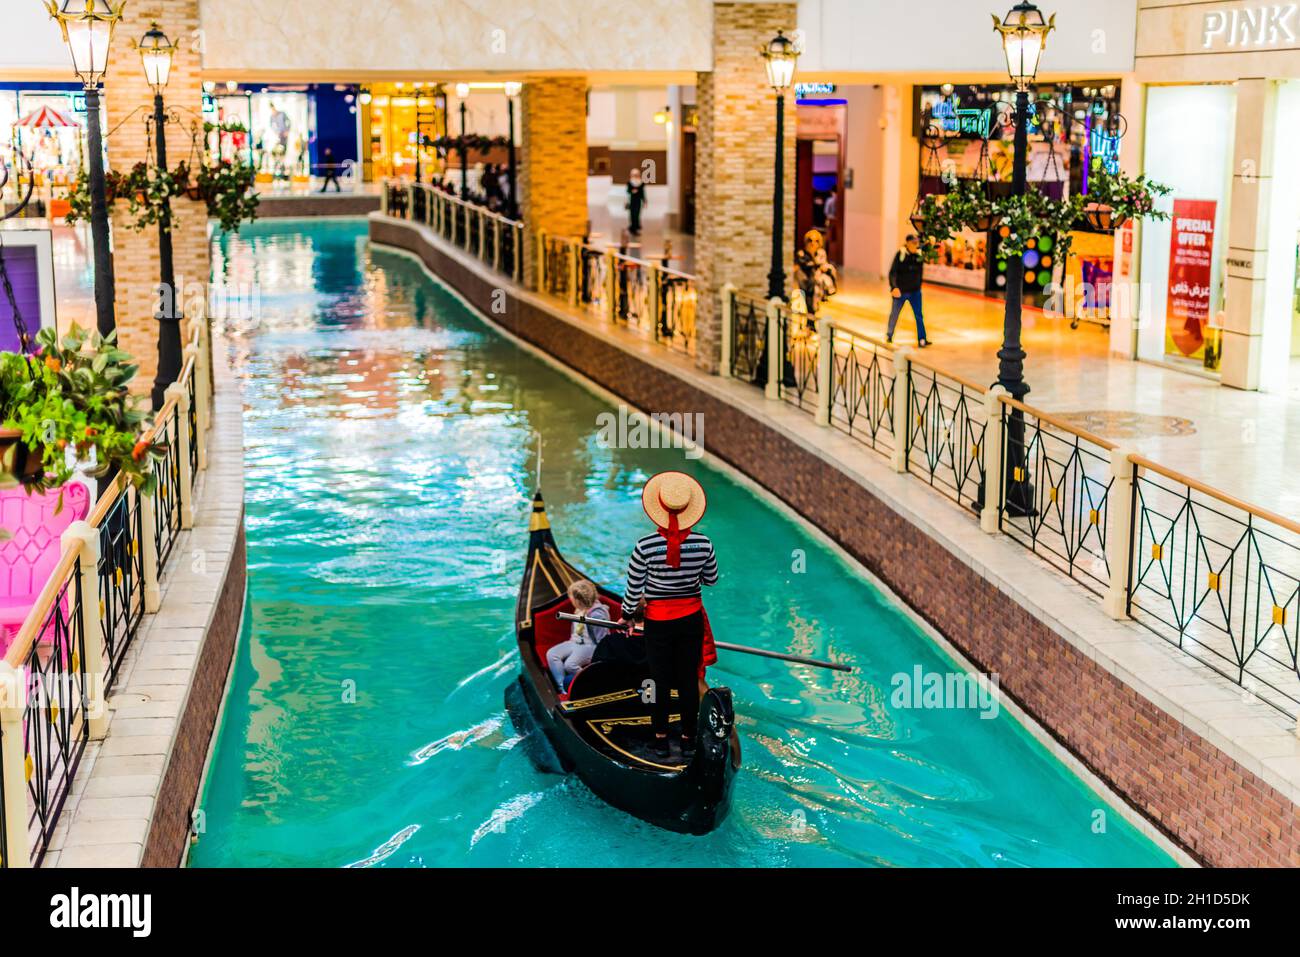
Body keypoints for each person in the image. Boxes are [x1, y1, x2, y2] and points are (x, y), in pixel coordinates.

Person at [619, 471, 718, 757]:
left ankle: (660, 739)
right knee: (687, 679)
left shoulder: (644, 546)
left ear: (658, 510)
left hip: (659, 622)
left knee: (660, 681)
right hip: (690, 619)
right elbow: (710, 580)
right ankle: (688, 738)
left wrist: (627, 615)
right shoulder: (704, 544)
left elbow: (634, 587)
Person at [546, 580, 611, 694]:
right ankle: (562, 688)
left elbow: (602, 638)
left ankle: (591, 682)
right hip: (575, 641)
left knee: (570, 665)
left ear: (579, 600)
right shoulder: (581, 609)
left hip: (590, 645)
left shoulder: (597, 614)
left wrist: (600, 657)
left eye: (572, 599)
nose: (570, 601)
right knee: (552, 654)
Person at [887, 233, 930, 347]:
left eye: (917, 243)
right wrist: (894, 287)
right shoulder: (901, 254)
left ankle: (922, 339)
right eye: (913, 243)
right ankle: (889, 335)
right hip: (901, 291)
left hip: (915, 292)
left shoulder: (919, 255)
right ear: (907, 243)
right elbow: (892, 273)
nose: (916, 245)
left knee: (919, 315)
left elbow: (929, 249)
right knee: (894, 314)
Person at [794, 229, 838, 318]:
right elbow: (805, 266)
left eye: (816, 241)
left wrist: (823, 268)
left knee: (814, 299)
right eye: (810, 240)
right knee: (805, 301)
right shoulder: (801, 254)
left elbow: (823, 264)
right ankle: (808, 321)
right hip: (805, 283)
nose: (813, 243)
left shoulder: (821, 253)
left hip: (816, 284)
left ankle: (811, 320)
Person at [626, 168, 646, 236]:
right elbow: (628, 191)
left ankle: (635, 228)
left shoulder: (641, 183)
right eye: (634, 175)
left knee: (637, 214)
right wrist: (632, 191)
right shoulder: (630, 183)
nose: (635, 176)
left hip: (638, 201)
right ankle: (632, 227)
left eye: (636, 175)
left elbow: (642, 193)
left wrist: (645, 201)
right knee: (632, 215)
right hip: (632, 200)